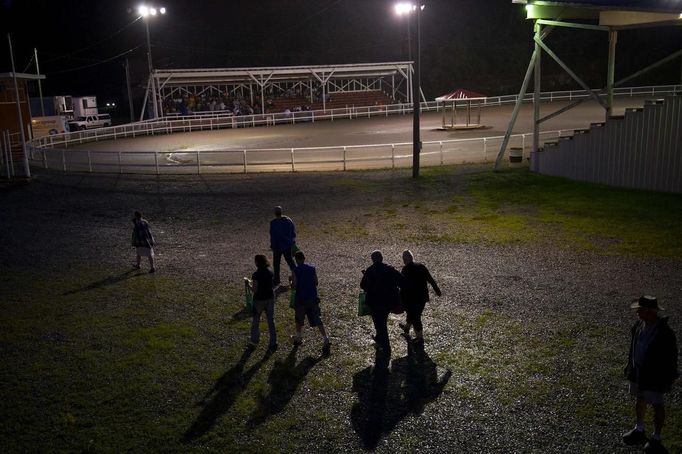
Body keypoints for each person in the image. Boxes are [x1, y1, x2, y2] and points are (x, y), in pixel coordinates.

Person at [622, 295, 678, 453]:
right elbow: (633, 347)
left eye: (640, 310)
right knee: (640, 399)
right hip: (638, 371)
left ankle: (656, 438)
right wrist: (629, 365)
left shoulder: (665, 333)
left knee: (657, 404)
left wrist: (669, 377)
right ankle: (639, 429)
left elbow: (671, 358)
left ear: (650, 311)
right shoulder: (639, 325)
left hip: (654, 376)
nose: (637, 312)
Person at [360, 250, 406, 357]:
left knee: (380, 325)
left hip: (375, 303)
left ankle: (386, 349)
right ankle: (380, 340)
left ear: (373, 260)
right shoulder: (390, 269)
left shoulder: (370, 271)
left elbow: (363, 285)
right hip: (388, 302)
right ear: (382, 258)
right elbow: (402, 281)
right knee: (381, 323)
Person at [291, 251, 330, 354]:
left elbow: (294, 286)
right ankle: (325, 338)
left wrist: (291, 282)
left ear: (296, 260)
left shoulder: (295, 270)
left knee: (299, 319)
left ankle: (298, 337)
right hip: (312, 298)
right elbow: (316, 282)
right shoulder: (312, 269)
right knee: (317, 318)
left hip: (301, 299)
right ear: (304, 258)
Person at [399, 250, 441, 343]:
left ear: (405, 259)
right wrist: (437, 290)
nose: (403, 260)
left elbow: (402, 285)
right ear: (412, 257)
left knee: (415, 317)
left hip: (410, 298)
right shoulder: (421, 266)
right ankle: (406, 328)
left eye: (404, 258)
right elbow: (430, 279)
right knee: (413, 314)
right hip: (422, 297)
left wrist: (399, 298)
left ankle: (419, 338)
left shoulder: (405, 269)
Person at [247, 254, 277, 351]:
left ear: (257, 263)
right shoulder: (270, 272)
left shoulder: (256, 275)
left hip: (259, 300)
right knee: (270, 321)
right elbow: (272, 285)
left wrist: (248, 285)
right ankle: (273, 342)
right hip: (270, 298)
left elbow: (255, 290)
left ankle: (254, 340)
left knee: (256, 321)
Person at [269, 206, 297, 287]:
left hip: (277, 246)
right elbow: (293, 232)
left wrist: (272, 245)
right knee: (290, 261)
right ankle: (296, 276)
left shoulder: (273, 223)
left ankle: (277, 279)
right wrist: (292, 241)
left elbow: (272, 235)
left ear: (274, 213)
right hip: (287, 245)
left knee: (276, 263)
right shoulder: (288, 220)